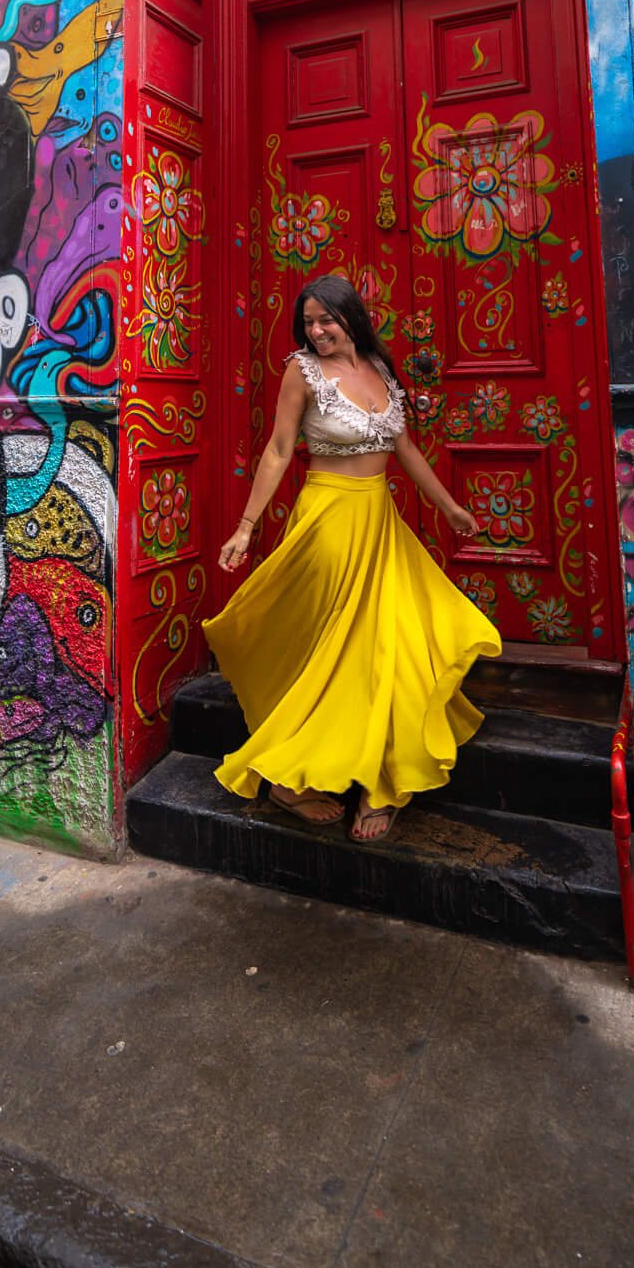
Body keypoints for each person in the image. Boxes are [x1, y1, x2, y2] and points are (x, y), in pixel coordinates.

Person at [205, 272, 501, 842]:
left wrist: (448, 507)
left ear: (351, 318)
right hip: (328, 524)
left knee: (394, 651)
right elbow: (278, 449)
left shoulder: (380, 370)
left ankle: (379, 785)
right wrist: (246, 525)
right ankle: (292, 784)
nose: (317, 331)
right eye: (309, 322)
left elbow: (405, 450)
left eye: (327, 320)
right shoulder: (302, 371)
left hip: (379, 524)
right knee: (345, 654)